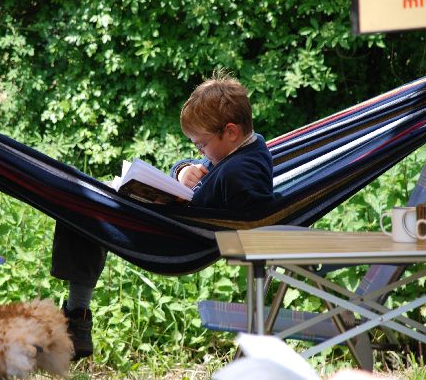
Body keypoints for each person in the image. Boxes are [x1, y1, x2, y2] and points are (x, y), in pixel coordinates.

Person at [51, 71, 275, 360]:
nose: (200, 150)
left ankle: (76, 315)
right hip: (177, 225)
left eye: (201, 143)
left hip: (180, 239)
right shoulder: (237, 152)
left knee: (80, 206)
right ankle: (76, 314)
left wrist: (191, 199)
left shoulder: (243, 169)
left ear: (230, 131)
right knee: (83, 202)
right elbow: (206, 169)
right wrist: (183, 171)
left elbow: (253, 215)